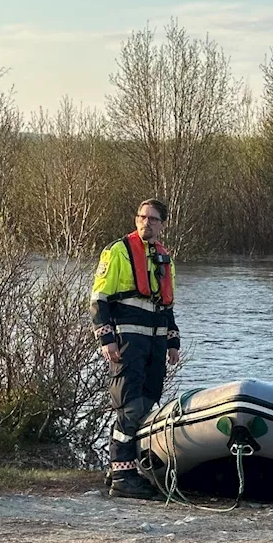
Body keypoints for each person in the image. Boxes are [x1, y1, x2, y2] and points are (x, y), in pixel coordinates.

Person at [90, 199, 181, 500]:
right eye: (142, 217)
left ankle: (121, 467)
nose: (146, 223)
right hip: (129, 340)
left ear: (162, 224)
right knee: (130, 404)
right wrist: (106, 338)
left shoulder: (164, 257)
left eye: (153, 219)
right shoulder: (118, 251)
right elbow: (99, 299)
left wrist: (172, 342)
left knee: (147, 401)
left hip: (154, 342)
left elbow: (166, 305)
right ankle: (123, 476)